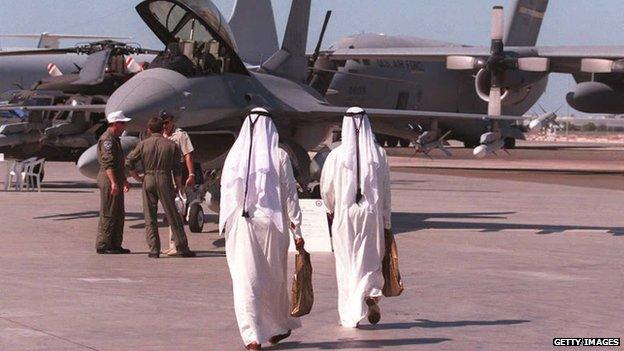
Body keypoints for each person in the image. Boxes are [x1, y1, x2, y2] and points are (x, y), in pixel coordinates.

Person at [219, 107, 304, 350]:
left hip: (241, 226)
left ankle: (252, 336)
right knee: (273, 280)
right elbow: (290, 195)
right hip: (272, 226)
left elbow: (226, 192)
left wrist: (226, 225)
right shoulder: (279, 156)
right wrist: (297, 230)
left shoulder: (234, 156)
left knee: (246, 280)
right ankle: (275, 326)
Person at [320, 107, 392, 328]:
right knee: (369, 260)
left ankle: (351, 313)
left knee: (346, 263)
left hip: (345, 215)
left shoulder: (336, 155)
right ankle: (369, 294)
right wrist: (386, 221)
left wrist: (330, 209)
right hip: (370, 216)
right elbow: (386, 190)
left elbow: (327, 188)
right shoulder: (379, 154)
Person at [126, 117, 196, 258]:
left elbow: (128, 162)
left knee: (149, 216)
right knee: (173, 214)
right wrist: (178, 186)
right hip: (165, 179)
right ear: (162, 128)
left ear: (149, 130)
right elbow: (177, 169)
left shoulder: (143, 144)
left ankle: (153, 249)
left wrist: (137, 177)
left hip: (149, 178)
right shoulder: (171, 145)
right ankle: (182, 247)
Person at [160, 111, 198, 256]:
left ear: (172, 121)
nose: (164, 126)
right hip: (165, 175)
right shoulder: (161, 134)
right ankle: (172, 244)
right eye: (162, 123)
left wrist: (191, 174)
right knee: (169, 211)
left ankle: (177, 244)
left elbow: (188, 154)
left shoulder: (180, 135)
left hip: (178, 174)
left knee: (177, 209)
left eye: (167, 122)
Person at [96, 111, 131, 255]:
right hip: (109, 179)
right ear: (115, 124)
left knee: (118, 212)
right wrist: (114, 183)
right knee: (109, 212)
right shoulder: (107, 140)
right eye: (122, 123)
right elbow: (108, 163)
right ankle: (103, 244)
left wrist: (123, 180)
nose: (124, 126)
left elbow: (118, 164)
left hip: (115, 178)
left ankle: (115, 244)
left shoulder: (115, 139)